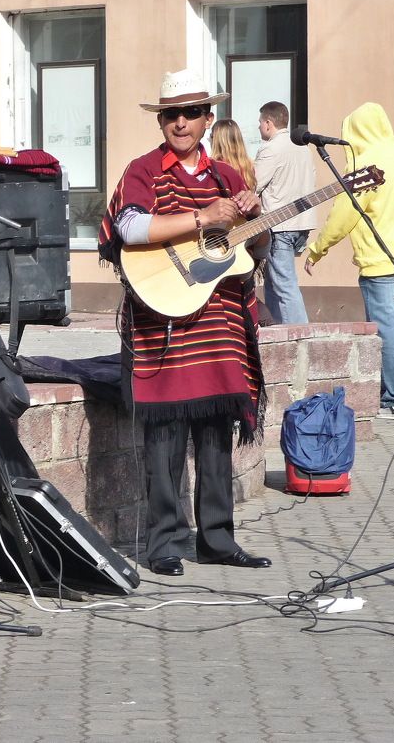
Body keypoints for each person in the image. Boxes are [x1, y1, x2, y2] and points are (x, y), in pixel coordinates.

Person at [99, 68, 270, 577]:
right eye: (171, 113)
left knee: (217, 433)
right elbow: (129, 228)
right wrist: (204, 219)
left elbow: (254, 249)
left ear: (207, 119)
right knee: (166, 437)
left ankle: (217, 539)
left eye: (191, 113)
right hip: (163, 327)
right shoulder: (143, 170)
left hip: (219, 327)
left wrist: (253, 219)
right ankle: (164, 544)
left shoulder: (230, 178)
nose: (180, 122)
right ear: (161, 120)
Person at [304, 103, 394, 419]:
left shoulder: (366, 164)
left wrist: (318, 249)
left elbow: (344, 214)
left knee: (386, 332)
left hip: (380, 260)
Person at [254, 101, 317, 324]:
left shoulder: (271, 148)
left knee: (284, 284)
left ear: (269, 123)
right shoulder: (303, 148)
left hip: (279, 225)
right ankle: (276, 329)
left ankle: (301, 340)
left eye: (260, 123)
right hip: (301, 223)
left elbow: (254, 185)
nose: (259, 127)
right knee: (274, 283)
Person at [210, 118, 256, 191]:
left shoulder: (215, 166)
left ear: (216, 140)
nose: (209, 139)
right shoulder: (249, 165)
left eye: (211, 136)